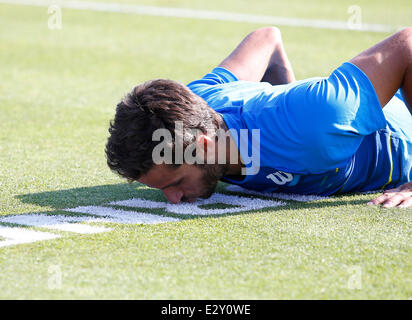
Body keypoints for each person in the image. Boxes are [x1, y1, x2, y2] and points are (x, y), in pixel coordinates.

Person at [105, 26, 412, 208]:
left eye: (175, 182)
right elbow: (267, 38)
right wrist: (287, 91)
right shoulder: (200, 101)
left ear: (205, 145)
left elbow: (407, 45)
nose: (173, 198)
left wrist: (293, 114)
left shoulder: (314, 123)